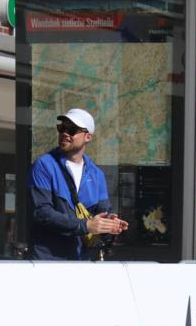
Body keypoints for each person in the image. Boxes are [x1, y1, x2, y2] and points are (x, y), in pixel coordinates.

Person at [29, 108, 127, 260]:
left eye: (72, 129)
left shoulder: (97, 175)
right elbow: (42, 213)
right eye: (62, 128)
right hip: (47, 260)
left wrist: (110, 224)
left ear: (88, 137)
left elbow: (103, 210)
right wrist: (86, 226)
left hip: (81, 260)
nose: (65, 133)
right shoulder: (44, 165)